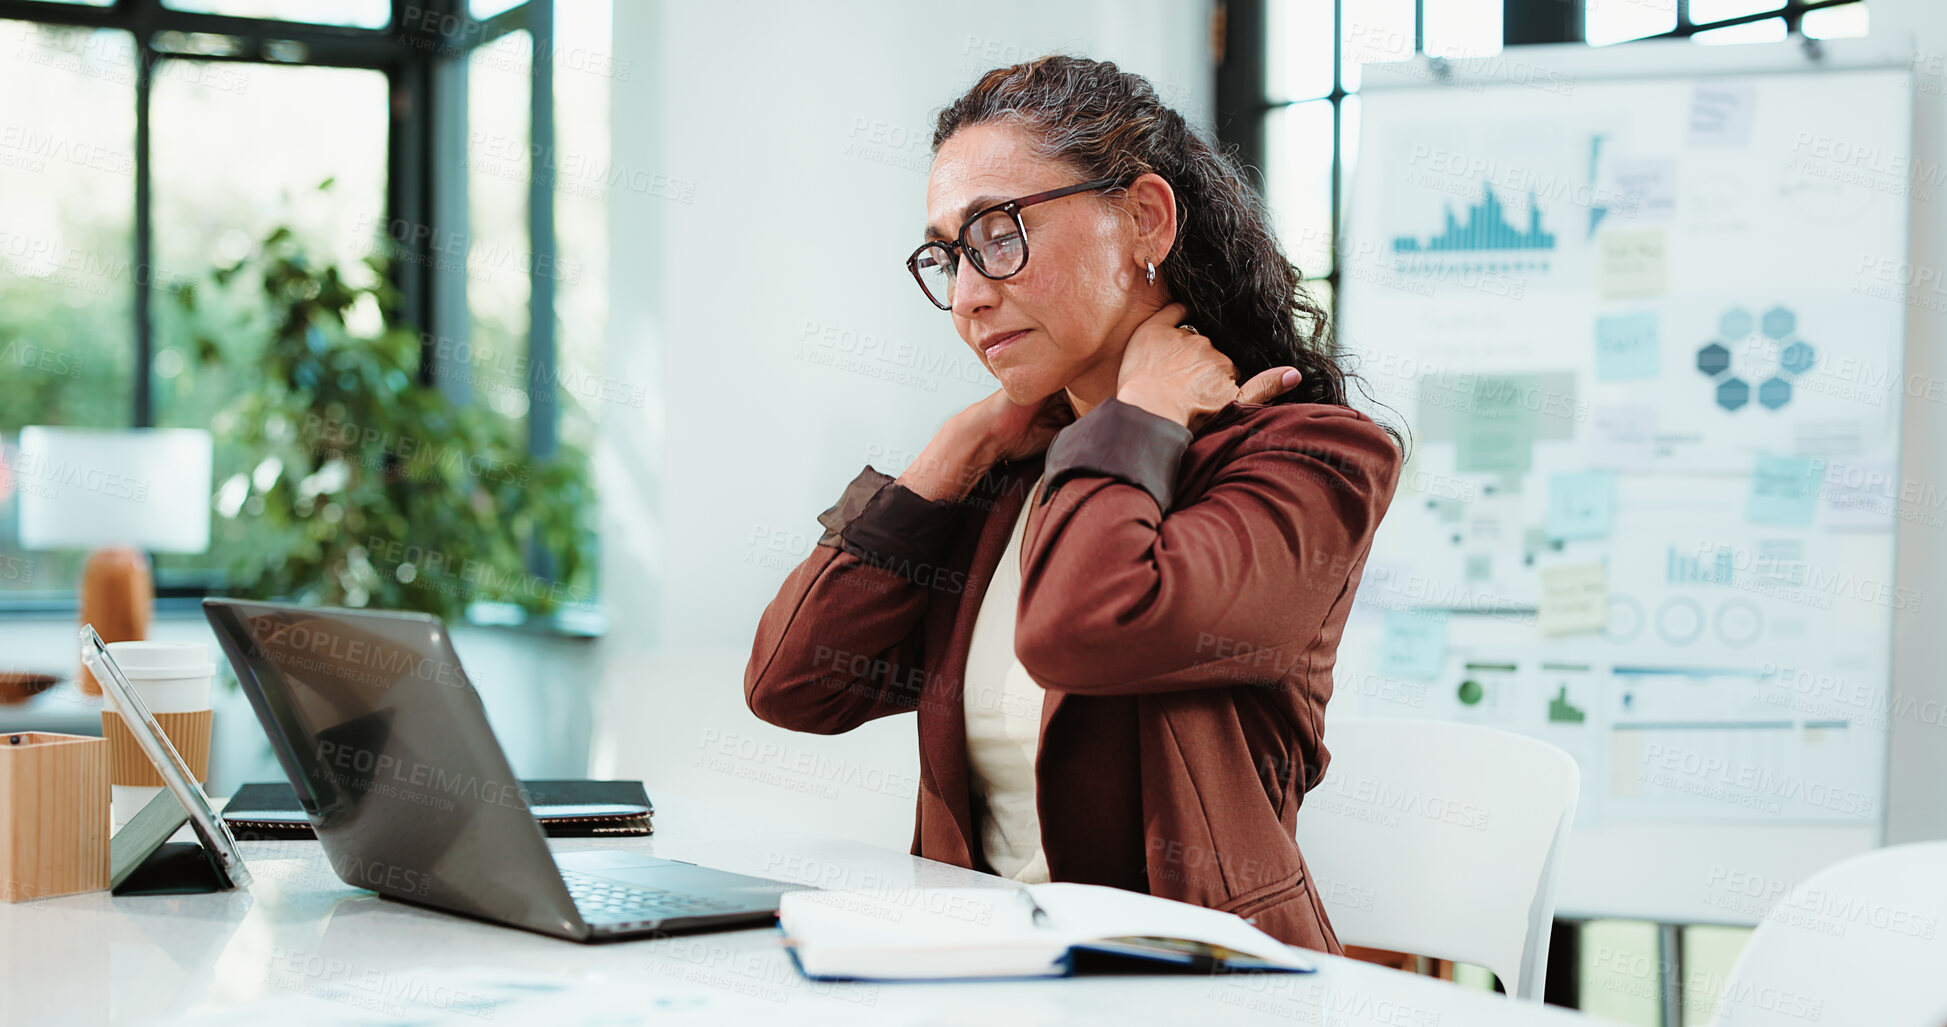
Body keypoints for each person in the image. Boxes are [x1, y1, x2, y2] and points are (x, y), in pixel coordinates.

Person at [745, 55, 1402, 952]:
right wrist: (960, 443)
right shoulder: (1006, 473)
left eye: (1000, 231)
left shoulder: (1312, 457)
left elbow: (1081, 626)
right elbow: (794, 683)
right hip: (975, 978)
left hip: (1201, 992)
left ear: (1143, 220)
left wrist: (1142, 414)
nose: (969, 295)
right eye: (947, 256)